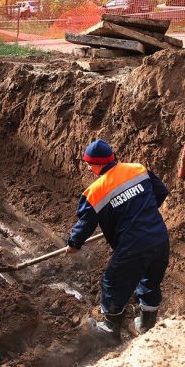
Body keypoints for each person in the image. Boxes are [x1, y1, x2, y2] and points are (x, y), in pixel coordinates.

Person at [66, 139, 169, 345]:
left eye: (89, 164)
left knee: (111, 282)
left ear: (98, 165)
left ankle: (111, 330)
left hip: (133, 246)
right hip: (159, 238)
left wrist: (74, 243)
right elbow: (161, 191)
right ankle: (146, 326)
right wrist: (142, 212)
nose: (88, 167)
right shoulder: (137, 169)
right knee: (150, 280)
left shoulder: (95, 191)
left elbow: (85, 224)